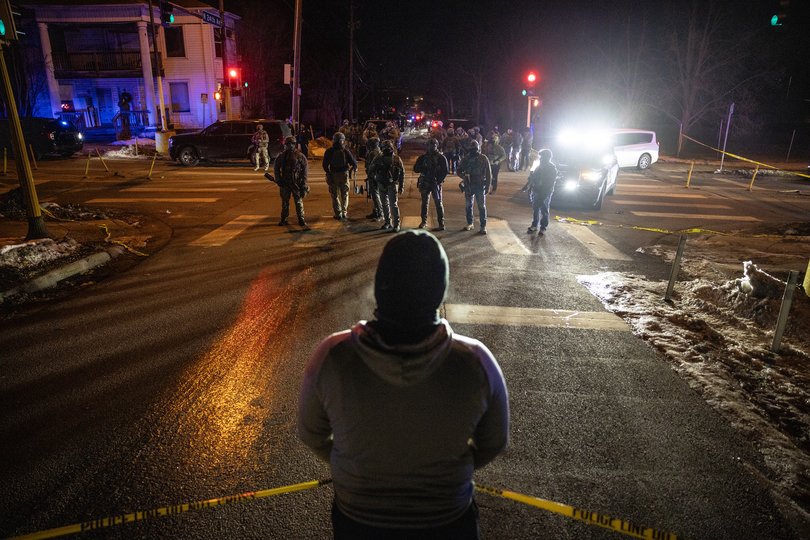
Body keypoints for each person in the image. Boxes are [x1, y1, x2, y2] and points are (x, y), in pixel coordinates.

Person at [298, 230, 509, 539]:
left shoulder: (332, 356)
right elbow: (493, 443)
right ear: (440, 290)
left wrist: (356, 469)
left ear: (380, 286)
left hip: (359, 517)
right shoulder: (475, 362)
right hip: (447, 518)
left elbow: (311, 434)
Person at [273, 136, 309, 229]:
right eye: (288, 144)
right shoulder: (281, 156)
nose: (290, 146)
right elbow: (276, 168)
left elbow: (304, 171)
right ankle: (284, 219)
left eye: (292, 143)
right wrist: (278, 179)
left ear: (295, 144)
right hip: (285, 182)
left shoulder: (300, 156)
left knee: (298, 202)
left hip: (296, 183)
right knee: (285, 202)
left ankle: (301, 219)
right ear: (285, 145)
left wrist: (304, 183)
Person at [457, 139, 492, 235]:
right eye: (472, 149)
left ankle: (483, 226)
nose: (474, 151)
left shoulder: (483, 158)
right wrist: (463, 176)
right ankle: (470, 223)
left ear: (478, 148)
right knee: (468, 206)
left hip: (480, 185)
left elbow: (489, 174)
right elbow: (458, 170)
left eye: (475, 149)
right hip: (469, 185)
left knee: (481, 206)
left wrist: (488, 186)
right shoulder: (466, 159)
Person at [413, 137, 448, 231]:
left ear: (437, 146)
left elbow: (445, 171)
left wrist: (439, 181)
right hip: (425, 182)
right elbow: (415, 169)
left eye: (434, 145)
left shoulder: (441, 157)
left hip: (435, 183)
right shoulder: (423, 157)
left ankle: (441, 223)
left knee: (438, 203)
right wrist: (422, 167)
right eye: (430, 145)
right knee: (424, 203)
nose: (432, 147)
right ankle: (423, 221)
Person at [369, 140, 404, 232]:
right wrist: (373, 179)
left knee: (393, 205)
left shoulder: (396, 158)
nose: (386, 149)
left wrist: (401, 186)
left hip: (392, 184)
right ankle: (388, 222)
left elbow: (402, 173)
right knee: (385, 204)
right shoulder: (378, 157)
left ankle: (396, 224)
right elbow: (371, 169)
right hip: (381, 183)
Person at [322, 132, 358, 220]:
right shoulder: (345, 151)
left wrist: (328, 173)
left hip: (334, 175)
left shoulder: (329, 151)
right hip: (344, 175)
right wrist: (351, 171)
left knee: (335, 195)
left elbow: (325, 165)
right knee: (345, 194)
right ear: (343, 140)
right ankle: (344, 212)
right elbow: (354, 163)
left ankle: (338, 214)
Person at [522, 148, 558, 235]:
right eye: (540, 157)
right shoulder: (539, 166)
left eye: (542, 157)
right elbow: (532, 177)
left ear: (548, 157)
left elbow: (549, 183)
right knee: (535, 208)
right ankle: (534, 225)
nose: (541, 158)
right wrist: (527, 186)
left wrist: (543, 195)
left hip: (545, 191)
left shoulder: (551, 168)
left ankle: (543, 227)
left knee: (544, 209)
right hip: (536, 190)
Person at [364, 137, 384, 221]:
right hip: (377, 176)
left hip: (373, 176)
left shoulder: (372, 153)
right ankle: (376, 211)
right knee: (375, 195)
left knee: (375, 196)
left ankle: (380, 213)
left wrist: (369, 176)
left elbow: (369, 166)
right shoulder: (379, 151)